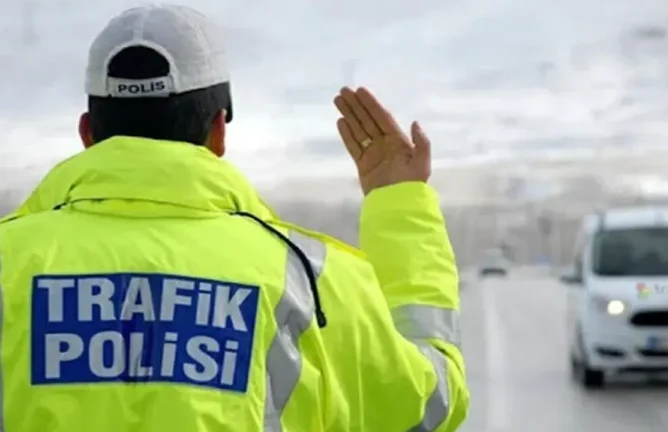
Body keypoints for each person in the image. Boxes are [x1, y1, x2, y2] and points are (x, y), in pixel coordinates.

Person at [0, 4, 468, 432]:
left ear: (87, 131)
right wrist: (398, 202)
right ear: (218, 129)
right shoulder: (310, 281)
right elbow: (429, 404)